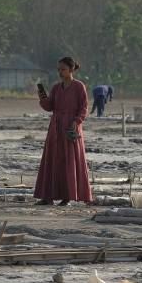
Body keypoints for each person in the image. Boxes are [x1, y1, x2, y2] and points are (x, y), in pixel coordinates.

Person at [34, 56, 93, 205]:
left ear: (71, 70)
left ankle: (67, 196)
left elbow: (84, 108)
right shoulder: (55, 87)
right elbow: (50, 106)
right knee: (53, 160)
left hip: (71, 128)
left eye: (63, 69)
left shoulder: (79, 86)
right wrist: (42, 94)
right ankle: (48, 197)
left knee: (69, 162)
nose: (60, 72)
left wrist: (77, 122)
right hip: (55, 128)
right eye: (58, 69)